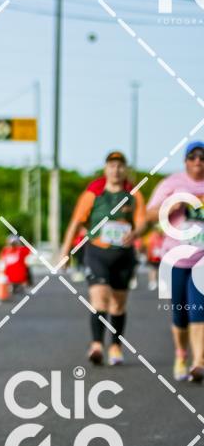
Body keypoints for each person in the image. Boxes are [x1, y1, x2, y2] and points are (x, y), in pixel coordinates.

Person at [60, 151, 146, 366]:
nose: (116, 170)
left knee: (118, 304)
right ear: (106, 169)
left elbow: (142, 221)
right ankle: (97, 345)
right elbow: (75, 222)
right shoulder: (93, 193)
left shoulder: (133, 194)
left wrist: (135, 233)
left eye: (120, 166)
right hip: (97, 252)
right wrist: (65, 252)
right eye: (112, 166)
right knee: (99, 299)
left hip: (123, 255)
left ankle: (115, 346)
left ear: (125, 169)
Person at [145, 141, 204, 382]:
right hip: (176, 258)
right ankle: (181, 354)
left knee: (199, 311)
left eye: (202, 157)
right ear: (185, 160)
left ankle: (199, 362)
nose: (198, 161)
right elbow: (149, 214)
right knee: (180, 314)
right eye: (193, 157)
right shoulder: (171, 183)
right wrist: (171, 206)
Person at [145, 227, 164, 291]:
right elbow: (149, 246)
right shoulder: (152, 236)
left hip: (160, 256)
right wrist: (148, 255)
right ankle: (152, 282)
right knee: (153, 269)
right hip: (153, 257)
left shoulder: (162, 236)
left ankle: (160, 282)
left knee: (160, 270)